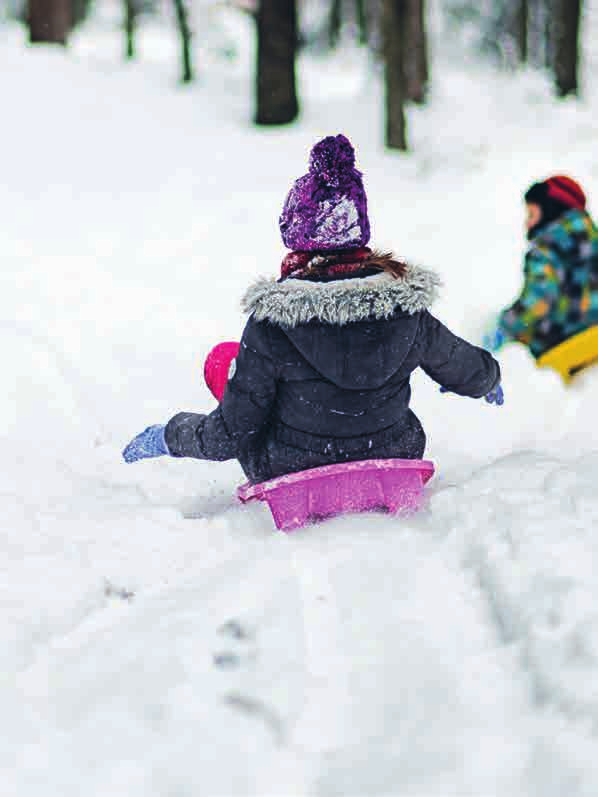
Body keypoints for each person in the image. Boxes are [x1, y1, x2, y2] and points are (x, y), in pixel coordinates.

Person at [123, 134, 503, 484]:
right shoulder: (406, 310)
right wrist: (488, 379)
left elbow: (231, 436)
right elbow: (463, 365)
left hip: (292, 468)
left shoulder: (274, 323)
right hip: (392, 455)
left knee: (225, 360)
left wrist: (170, 435)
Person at [485, 176, 598, 359]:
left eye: (531, 214)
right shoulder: (594, 241)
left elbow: (539, 300)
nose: (527, 224)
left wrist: (504, 327)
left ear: (551, 209)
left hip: (561, 346)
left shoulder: (545, 250)